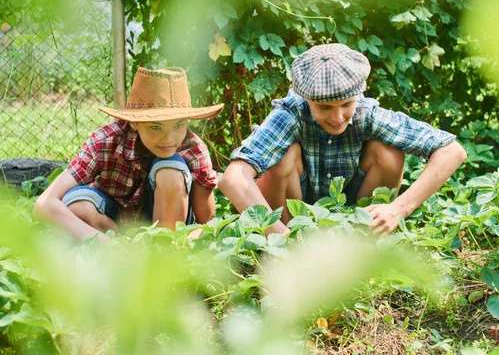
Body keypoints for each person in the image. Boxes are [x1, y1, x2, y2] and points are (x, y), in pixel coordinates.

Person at [219, 43, 466, 235]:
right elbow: (232, 180)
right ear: (306, 99)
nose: (338, 117)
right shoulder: (290, 114)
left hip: (352, 215)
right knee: (283, 157)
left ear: (358, 95)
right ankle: (285, 247)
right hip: (290, 221)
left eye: (347, 104)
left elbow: (452, 151)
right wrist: (280, 237)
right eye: (324, 107)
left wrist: (398, 209)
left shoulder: (367, 113)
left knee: (388, 152)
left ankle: (365, 238)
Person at [34, 67, 223, 243]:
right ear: (134, 122)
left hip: (167, 228)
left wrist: (185, 241)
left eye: (179, 125)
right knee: (78, 207)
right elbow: (44, 204)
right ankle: (118, 253)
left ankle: (164, 252)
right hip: (110, 229)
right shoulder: (105, 141)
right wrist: (102, 243)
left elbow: (206, 222)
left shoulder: (194, 150)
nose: (169, 138)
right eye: (155, 127)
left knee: (170, 171)